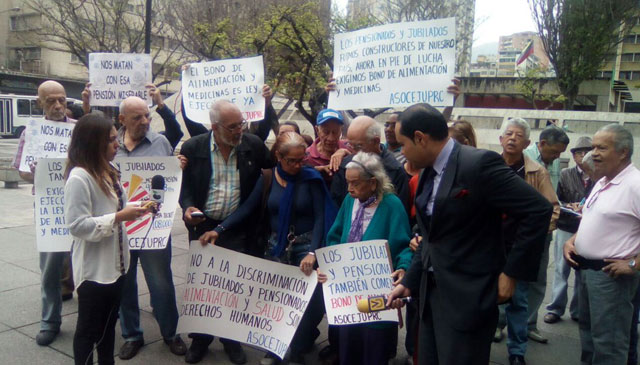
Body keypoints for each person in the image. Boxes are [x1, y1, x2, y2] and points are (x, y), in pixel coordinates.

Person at [387, 103, 552, 365]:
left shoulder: (479, 163)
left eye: (403, 144)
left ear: (420, 138)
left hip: (469, 296)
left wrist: (511, 273)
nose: (402, 152)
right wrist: (409, 280)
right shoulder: (427, 170)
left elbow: (538, 210)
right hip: (431, 295)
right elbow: (431, 237)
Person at [200, 132, 337, 365]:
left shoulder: (311, 178)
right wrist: (219, 229)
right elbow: (247, 208)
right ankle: (275, 349)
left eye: (301, 159)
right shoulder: (268, 178)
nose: (297, 165)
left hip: (306, 245)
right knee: (278, 303)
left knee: (304, 303)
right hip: (277, 247)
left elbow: (321, 218)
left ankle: (297, 346)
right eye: (291, 160)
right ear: (278, 157)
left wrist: (314, 252)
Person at [179, 99, 273, 364]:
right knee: (203, 287)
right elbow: (184, 187)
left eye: (241, 124)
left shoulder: (252, 145)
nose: (238, 130)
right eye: (232, 126)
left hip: (238, 226)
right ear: (215, 126)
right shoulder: (193, 147)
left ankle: (231, 340)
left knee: (233, 288)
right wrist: (187, 207)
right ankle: (201, 339)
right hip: (203, 225)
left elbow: (275, 168)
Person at [94, 96, 185, 360]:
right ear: (122, 120)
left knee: (162, 283)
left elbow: (169, 178)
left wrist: (178, 169)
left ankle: (171, 333)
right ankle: (132, 335)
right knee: (125, 283)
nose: (145, 121)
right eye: (138, 117)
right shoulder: (109, 147)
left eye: (147, 115)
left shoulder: (161, 142)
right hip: (121, 226)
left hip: (154, 226)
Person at [64, 114, 150, 365]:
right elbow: (78, 225)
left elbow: (114, 207)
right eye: (112, 140)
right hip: (94, 271)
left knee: (108, 326)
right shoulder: (79, 177)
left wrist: (137, 206)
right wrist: (119, 216)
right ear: (94, 142)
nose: (117, 144)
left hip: (118, 266)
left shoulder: (109, 170)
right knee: (88, 330)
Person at [318, 151, 413, 365]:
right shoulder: (349, 202)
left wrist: (403, 267)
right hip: (348, 292)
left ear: (372, 182)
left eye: (355, 183)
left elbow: (404, 245)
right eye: (348, 182)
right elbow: (334, 236)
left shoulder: (392, 205)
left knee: (374, 347)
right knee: (348, 345)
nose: (349, 188)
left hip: (376, 290)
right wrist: (329, 265)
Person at [563, 124, 640, 365]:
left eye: (601, 148)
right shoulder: (604, 180)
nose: (593, 153)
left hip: (610, 277)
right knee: (589, 338)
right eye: (593, 147)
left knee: (609, 345)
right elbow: (591, 217)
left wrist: (634, 263)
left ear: (623, 152)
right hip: (586, 271)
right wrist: (573, 241)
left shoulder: (635, 184)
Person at [12, 80, 76, 346]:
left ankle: (98, 317)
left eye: (61, 99)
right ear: (40, 103)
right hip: (51, 207)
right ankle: (50, 321)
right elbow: (23, 171)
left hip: (83, 205)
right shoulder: (31, 132)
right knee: (50, 268)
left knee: (89, 262)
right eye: (51, 101)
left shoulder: (78, 130)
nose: (58, 105)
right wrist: (34, 172)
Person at [495, 118, 560, 365]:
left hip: (518, 247)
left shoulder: (536, 171)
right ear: (500, 139)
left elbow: (553, 209)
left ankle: (517, 352)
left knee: (518, 301)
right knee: (484, 296)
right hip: (489, 245)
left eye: (518, 135)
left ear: (528, 143)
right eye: (508, 134)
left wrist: (533, 235)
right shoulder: (488, 165)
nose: (512, 138)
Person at [522, 125, 569, 343]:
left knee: (539, 279)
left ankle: (529, 324)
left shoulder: (554, 161)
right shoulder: (524, 159)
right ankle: (501, 323)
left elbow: (554, 196)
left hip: (545, 230)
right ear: (541, 144)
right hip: (522, 231)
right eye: (554, 152)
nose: (557, 157)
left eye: (560, 153)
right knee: (511, 276)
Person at [544, 136, 594, 325]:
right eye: (579, 152)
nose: (583, 156)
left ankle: (578, 310)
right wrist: (569, 205)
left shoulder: (599, 177)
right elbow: (556, 199)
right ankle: (555, 308)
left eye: (587, 152)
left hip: (587, 229)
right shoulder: (566, 174)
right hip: (567, 225)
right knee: (561, 268)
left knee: (582, 270)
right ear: (573, 156)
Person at [331, 116, 409, 213]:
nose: (354, 151)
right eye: (350, 145)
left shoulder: (395, 170)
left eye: (358, 146)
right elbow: (336, 205)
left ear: (376, 141)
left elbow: (399, 213)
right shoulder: (345, 166)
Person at [305, 109, 352, 184]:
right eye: (326, 132)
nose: (331, 138)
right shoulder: (306, 156)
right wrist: (313, 171)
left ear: (341, 130)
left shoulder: (349, 146)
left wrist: (346, 153)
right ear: (317, 130)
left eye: (335, 132)